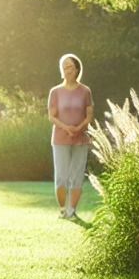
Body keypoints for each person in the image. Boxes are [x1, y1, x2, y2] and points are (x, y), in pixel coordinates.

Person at [47, 54, 93, 219]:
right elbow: (52, 116)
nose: (67, 69)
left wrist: (79, 128)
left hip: (81, 139)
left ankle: (72, 210)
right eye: (64, 66)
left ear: (77, 70)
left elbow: (88, 115)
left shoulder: (85, 91)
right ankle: (62, 209)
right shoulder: (55, 92)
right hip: (60, 138)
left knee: (77, 175)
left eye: (70, 66)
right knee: (61, 175)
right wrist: (67, 128)